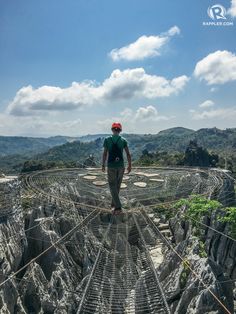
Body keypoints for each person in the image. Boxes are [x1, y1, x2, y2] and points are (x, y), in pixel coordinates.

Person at [102, 122, 131, 214]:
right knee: (117, 185)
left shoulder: (107, 140)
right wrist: (130, 165)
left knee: (112, 185)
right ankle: (113, 204)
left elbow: (105, 153)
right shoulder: (123, 140)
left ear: (112, 129)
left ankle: (118, 207)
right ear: (120, 130)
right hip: (121, 166)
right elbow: (128, 154)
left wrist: (103, 164)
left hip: (111, 166)